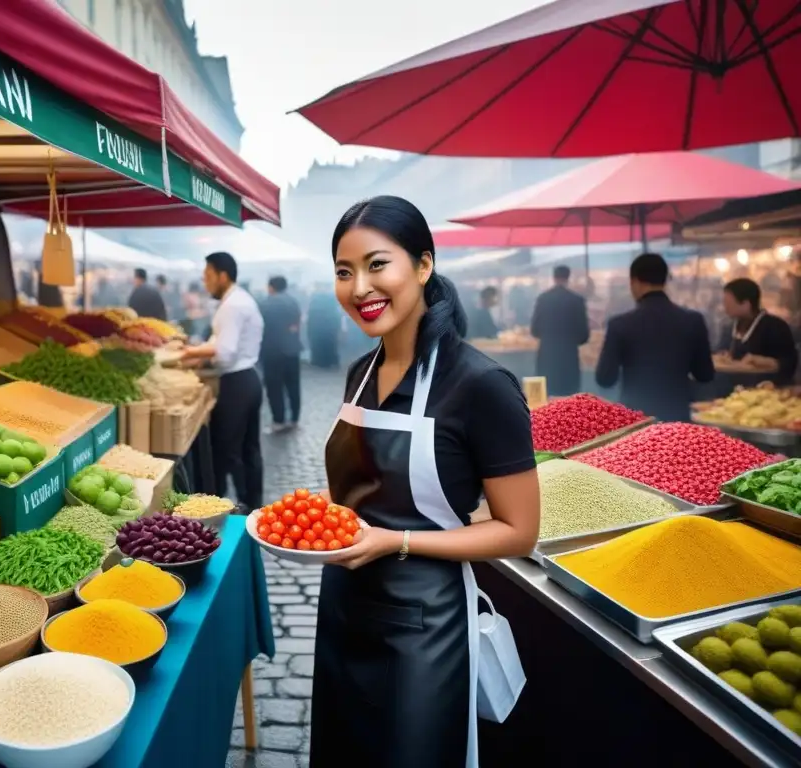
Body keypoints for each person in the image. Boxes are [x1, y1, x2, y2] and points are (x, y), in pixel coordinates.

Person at [313, 196, 540, 768]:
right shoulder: (360, 374)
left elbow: (519, 531)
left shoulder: (482, 385)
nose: (359, 286)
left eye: (376, 264)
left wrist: (399, 541)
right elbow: (363, 489)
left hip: (424, 628)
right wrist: (322, 512)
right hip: (344, 610)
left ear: (423, 265)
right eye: (344, 272)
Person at [182, 252, 265, 509]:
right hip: (248, 379)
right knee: (248, 449)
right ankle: (252, 502)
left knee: (229, 450)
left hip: (236, 383)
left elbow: (226, 352)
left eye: (208, 276)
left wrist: (189, 353)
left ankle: (240, 507)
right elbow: (221, 344)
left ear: (222, 275)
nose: (205, 283)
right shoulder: (238, 300)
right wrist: (201, 356)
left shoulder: (232, 305)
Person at [595, 253, 715, 422]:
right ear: (665, 280)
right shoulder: (693, 321)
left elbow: (605, 379)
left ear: (634, 282)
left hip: (634, 421)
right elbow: (705, 375)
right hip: (677, 419)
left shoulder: (620, 324)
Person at [716, 278, 798, 385]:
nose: (724, 308)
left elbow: (790, 363)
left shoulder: (776, 327)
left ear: (746, 304)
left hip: (767, 390)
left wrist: (768, 362)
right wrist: (722, 355)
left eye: (728, 303)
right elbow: (720, 350)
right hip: (731, 389)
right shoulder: (728, 327)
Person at [530, 265, 590, 396]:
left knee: (546, 403)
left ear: (554, 277)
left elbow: (534, 330)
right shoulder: (577, 301)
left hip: (547, 357)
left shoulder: (543, 299)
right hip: (569, 359)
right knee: (568, 403)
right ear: (568, 277)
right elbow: (584, 336)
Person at [259, 276, 303, 432]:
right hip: (292, 349)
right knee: (293, 386)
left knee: (274, 387)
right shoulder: (293, 302)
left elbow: (260, 327)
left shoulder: (266, 304)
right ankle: (294, 419)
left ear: (271, 287)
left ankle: (279, 421)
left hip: (273, 351)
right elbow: (297, 323)